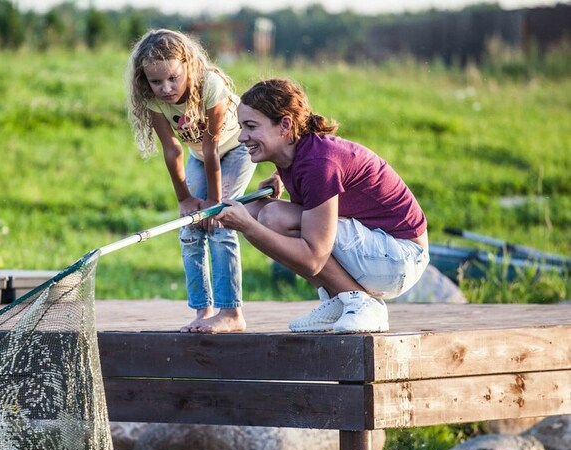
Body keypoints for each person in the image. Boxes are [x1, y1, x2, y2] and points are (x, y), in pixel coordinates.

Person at [215, 78, 429, 333]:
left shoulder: (319, 161)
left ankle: (359, 302)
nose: (242, 137)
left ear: (285, 125)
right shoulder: (293, 154)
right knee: (257, 211)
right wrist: (255, 212)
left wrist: (248, 227)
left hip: (401, 258)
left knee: (270, 217)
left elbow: (313, 258)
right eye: (241, 127)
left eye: (251, 126)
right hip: (378, 251)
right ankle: (339, 297)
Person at [127, 29, 256, 333]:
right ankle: (203, 310)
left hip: (237, 148)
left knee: (219, 220)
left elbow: (212, 146)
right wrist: (185, 199)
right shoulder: (153, 99)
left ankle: (231, 312)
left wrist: (212, 202)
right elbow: (172, 150)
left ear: (187, 65)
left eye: (173, 78)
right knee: (189, 226)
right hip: (200, 156)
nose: (166, 88)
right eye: (156, 82)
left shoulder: (210, 84)